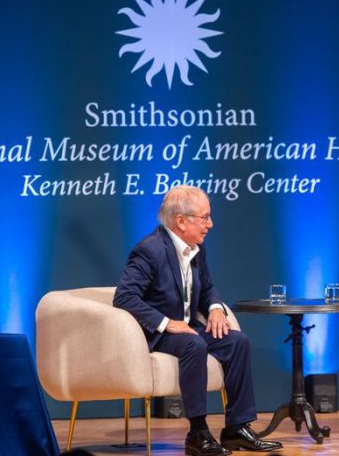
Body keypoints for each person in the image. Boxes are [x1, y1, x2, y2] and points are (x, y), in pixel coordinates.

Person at [114, 185, 282, 456]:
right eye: (205, 218)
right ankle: (198, 432)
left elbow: (207, 286)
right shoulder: (150, 250)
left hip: (188, 329)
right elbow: (124, 297)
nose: (210, 224)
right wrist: (166, 323)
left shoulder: (195, 248)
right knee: (195, 345)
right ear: (181, 221)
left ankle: (237, 428)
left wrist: (215, 308)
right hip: (158, 334)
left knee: (236, 341)